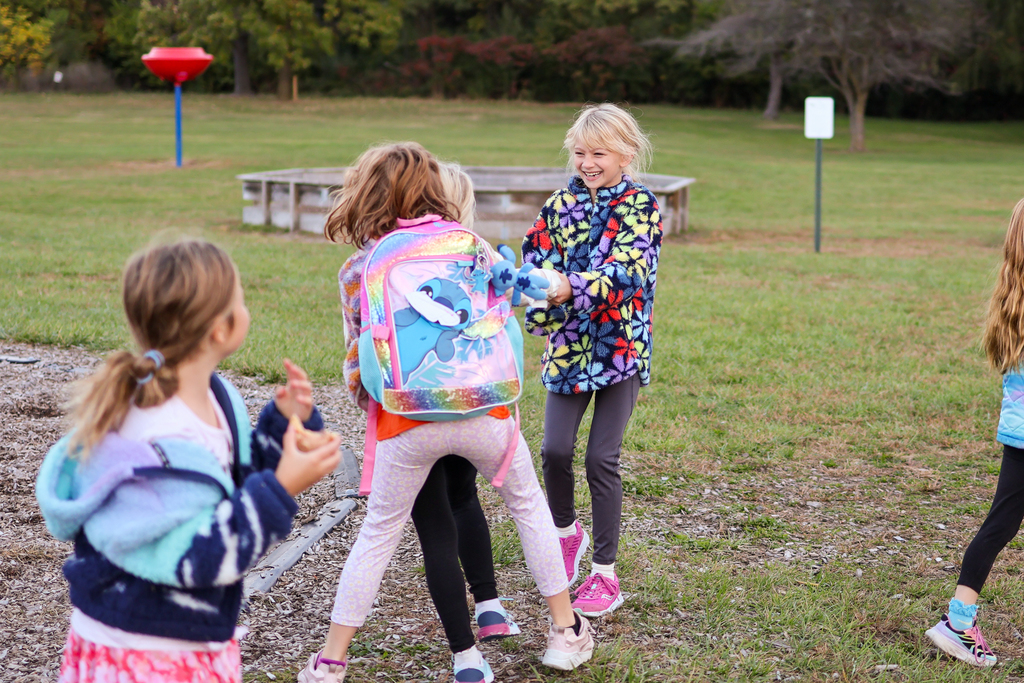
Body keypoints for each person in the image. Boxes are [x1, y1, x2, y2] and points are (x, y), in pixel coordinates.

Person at [299, 142, 594, 683]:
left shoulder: (362, 266)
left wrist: (376, 404)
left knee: (378, 532)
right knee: (529, 508)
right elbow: (504, 317)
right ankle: (564, 632)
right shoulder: (472, 245)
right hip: (485, 411)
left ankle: (330, 661)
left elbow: (357, 361)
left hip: (407, 420)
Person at [35, 239, 342, 683]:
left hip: (183, 639)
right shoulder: (156, 437)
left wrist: (283, 426)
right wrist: (281, 490)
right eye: (242, 298)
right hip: (142, 651)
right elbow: (201, 558)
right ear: (221, 328)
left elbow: (232, 482)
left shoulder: (216, 397)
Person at [521, 103, 662, 617]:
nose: (587, 161)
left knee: (601, 458)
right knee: (554, 451)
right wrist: (538, 298)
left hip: (620, 348)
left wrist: (568, 286)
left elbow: (627, 272)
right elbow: (534, 260)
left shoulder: (641, 206)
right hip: (568, 349)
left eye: (598, 152)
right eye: (580, 152)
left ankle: (605, 572)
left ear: (626, 153)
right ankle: (566, 533)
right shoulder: (558, 205)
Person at [406, 163, 521, 683]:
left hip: (411, 410)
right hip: (472, 401)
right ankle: (491, 607)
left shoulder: (386, 259)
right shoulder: (477, 253)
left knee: (433, 525)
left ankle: (465, 658)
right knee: (464, 499)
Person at [924, 198, 1024, 668]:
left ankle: (959, 620)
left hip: (1018, 433)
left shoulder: (1012, 294)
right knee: (1000, 524)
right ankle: (958, 624)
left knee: (1000, 525)